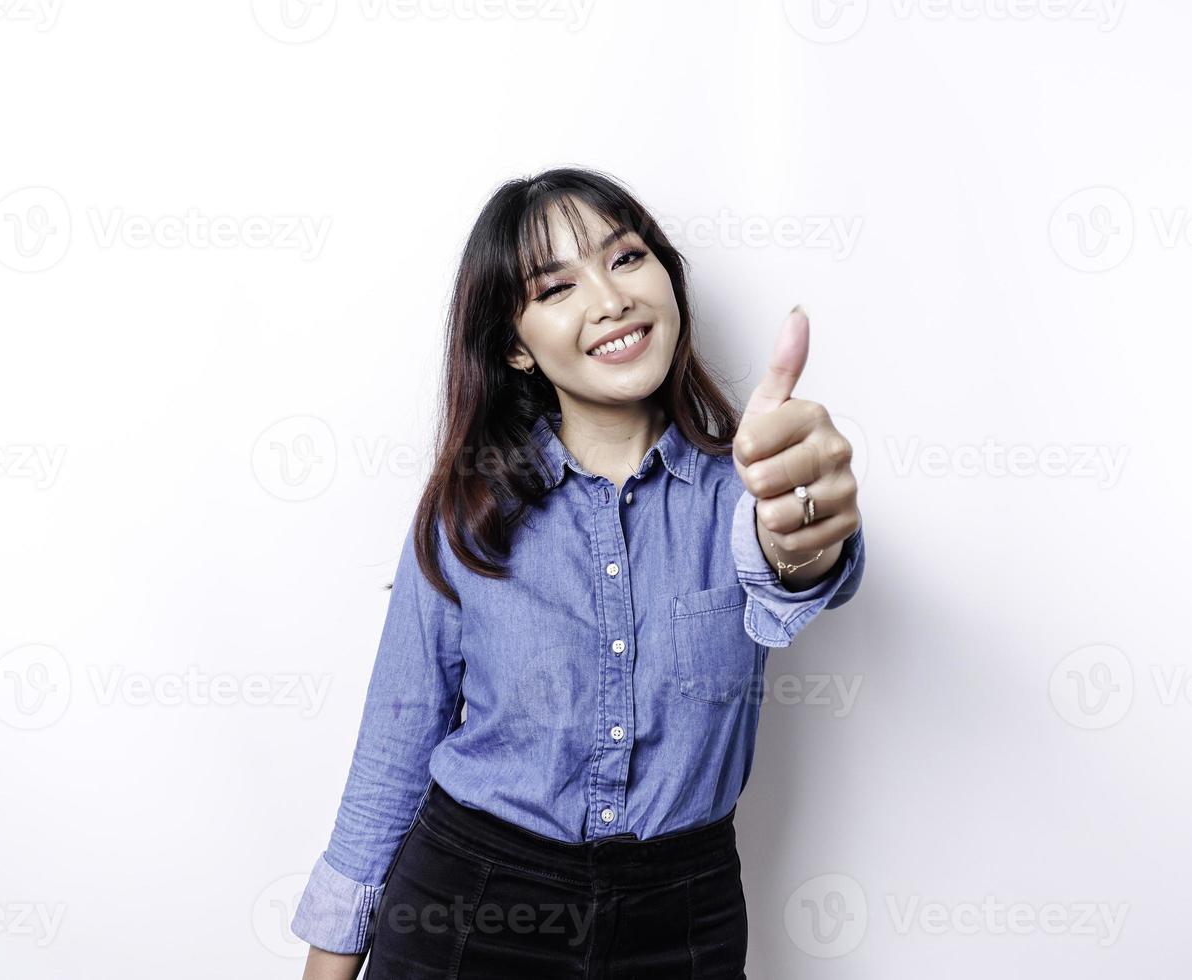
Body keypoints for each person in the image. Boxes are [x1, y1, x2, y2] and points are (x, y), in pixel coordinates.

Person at [291, 167, 867, 979]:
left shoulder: (747, 491)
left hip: (683, 923)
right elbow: (393, 748)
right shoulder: (468, 511)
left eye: (626, 259)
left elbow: (797, 564)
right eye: (557, 287)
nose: (609, 298)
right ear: (516, 347)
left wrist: (809, 532)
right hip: (468, 910)